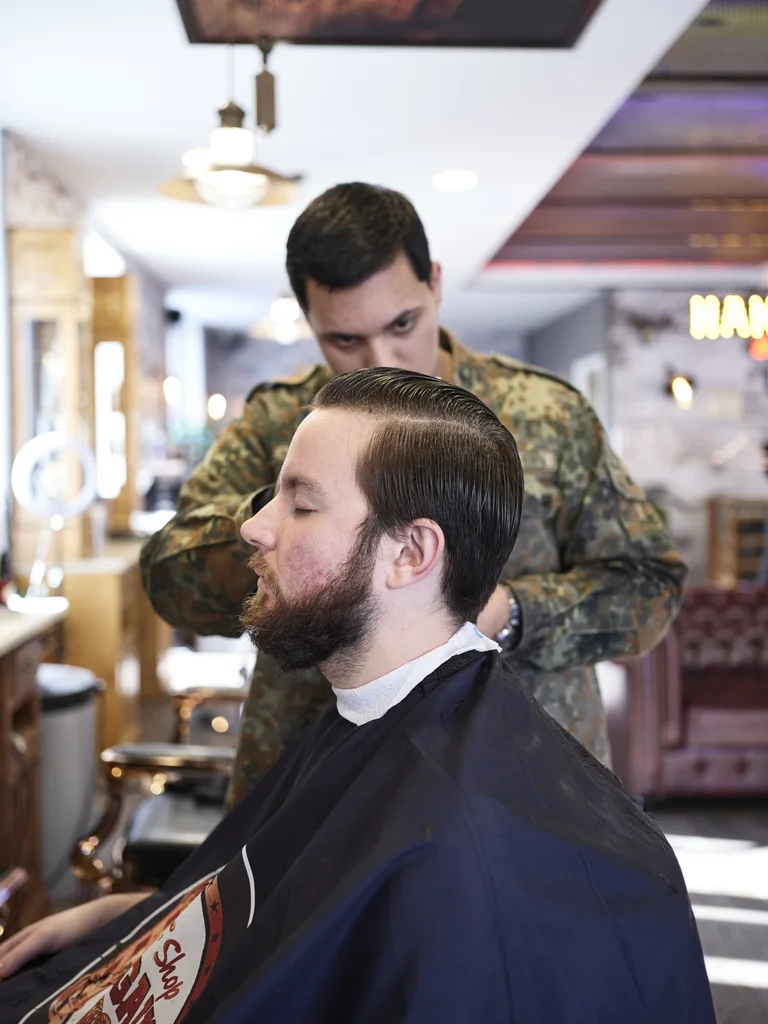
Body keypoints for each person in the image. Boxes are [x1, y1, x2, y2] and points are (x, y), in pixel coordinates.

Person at [0, 370, 713, 1024]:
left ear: (410, 554)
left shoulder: (466, 863)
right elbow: (281, 902)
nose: (253, 526)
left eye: (300, 504)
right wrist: (146, 917)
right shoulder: (370, 710)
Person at [140, 182, 687, 806]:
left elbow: (649, 587)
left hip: (519, 776)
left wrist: (511, 614)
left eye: (403, 324)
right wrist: (299, 516)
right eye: (345, 340)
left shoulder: (550, 417)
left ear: (433, 282)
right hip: (313, 777)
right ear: (309, 320)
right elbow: (169, 575)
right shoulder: (280, 421)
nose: (381, 358)